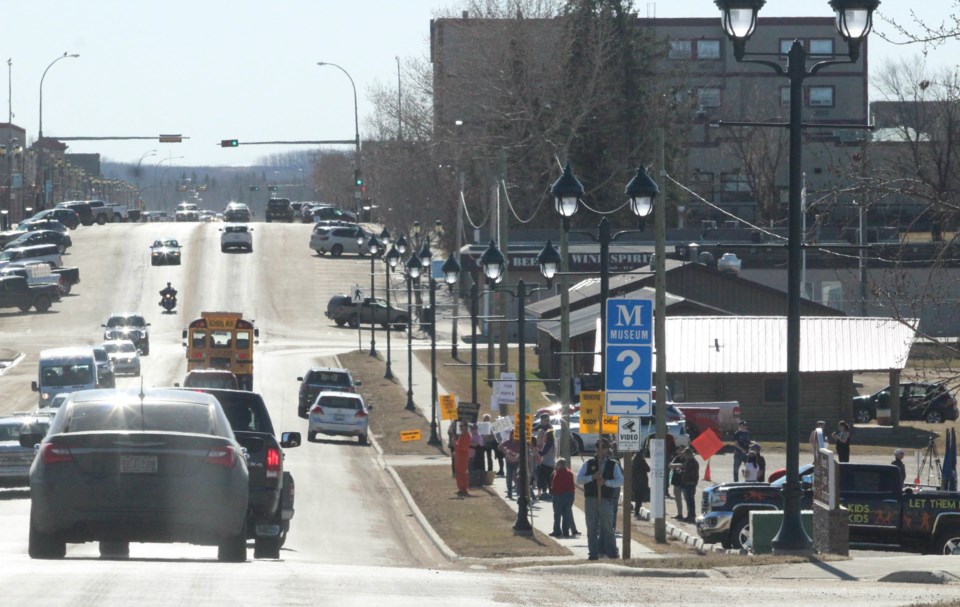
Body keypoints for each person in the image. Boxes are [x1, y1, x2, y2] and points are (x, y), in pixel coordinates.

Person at [575, 438, 623, 560]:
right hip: (591, 499)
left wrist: (606, 482)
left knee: (607, 528)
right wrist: (592, 477)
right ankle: (593, 553)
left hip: (606, 499)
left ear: (607, 449)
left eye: (603, 447)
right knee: (591, 528)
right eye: (598, 447)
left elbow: (620, 481)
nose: (600, 449)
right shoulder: (589, 463)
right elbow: (579, 479)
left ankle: (612, 553)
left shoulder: (613, 465)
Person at [549, 458, 576, 537]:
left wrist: (552, 492)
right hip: (569, 496)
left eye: (557, 464)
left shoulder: (557, 473)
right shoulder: (570, 473)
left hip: (559, 495)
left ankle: (557, 531)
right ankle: (566, 531)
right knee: (566, 514)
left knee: (557, 514)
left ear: (559, 465)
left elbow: (555, 485)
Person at [536, 414, 556, 499]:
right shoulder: (547, 431)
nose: (543, 436)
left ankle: (546, 493)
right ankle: (547, 492)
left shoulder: (549, 443)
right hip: (547, 462)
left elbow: (543, 452)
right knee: (546, 478)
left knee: (544, 478)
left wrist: (538, 452)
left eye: (545, 435)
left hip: (547, 463)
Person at [498, 432, 522, 499]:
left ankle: (519, 492)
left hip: (517, 462)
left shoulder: (519, 443)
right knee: (509, 477)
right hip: (509, 463)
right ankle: (509, 493)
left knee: (518, 477)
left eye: (515, 434)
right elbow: (499, 447)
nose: (513, 435)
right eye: (512, 434)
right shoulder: (507, 442)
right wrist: (504, 450)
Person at [679, 447, 700, 523]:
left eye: (685, 454)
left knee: (690, 501)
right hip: (688, 483)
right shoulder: (689, 461)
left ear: (689, 454)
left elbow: (690, 473)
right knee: (689, 501)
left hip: (690, 483)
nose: (684, 456)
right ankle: (689, 515)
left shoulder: (692, 462)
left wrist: (682, 471)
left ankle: (691, 516)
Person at [631, 451, 651, 517]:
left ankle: (636, 511)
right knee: (639, 499)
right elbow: (648, 469)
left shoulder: (633, 460)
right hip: (642, 482)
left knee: (637, 497)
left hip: (635, 482)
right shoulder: (642, 461)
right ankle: (637, 512)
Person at [454, 422, 471, 496]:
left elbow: (463, 447)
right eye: (460, 426)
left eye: (462, 426)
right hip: (458, 456)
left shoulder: (467, 436)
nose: (461, 428)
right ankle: (460, 488)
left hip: (463, 456)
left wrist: (455, 444)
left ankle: (464, 488)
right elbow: (458, 445)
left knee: (462, 472)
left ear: (466, 427)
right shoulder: (461, 435)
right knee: (458, 472)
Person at [670, 451, 686, 519]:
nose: (680, 452)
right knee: (678, 499)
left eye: (681, 450)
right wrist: (678, 465)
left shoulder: (687, 459)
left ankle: (690, 515)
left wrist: (678, 466)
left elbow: (684, 465)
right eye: (679, 450)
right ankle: (679, 514)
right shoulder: (677, 458)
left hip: (684, 482)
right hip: (676, 481)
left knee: (687, 499)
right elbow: (670, 465)